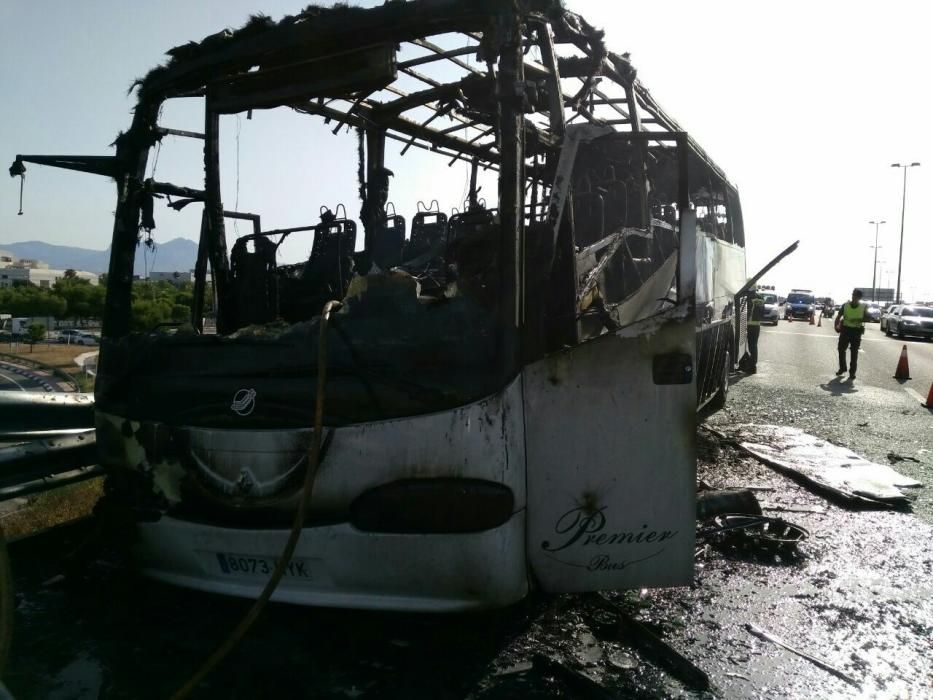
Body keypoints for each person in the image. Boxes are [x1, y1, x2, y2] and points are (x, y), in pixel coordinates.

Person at [834, 288, 866, 380]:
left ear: (859, 297)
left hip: (856, 331)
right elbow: (838, 316)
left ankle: (852, 373)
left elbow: (869, 318)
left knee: (854, 352)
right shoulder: (845, 305)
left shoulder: (863, 307)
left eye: (856, 295)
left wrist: (858, 319)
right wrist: (836, 326)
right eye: (853, 295)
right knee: (841, 349)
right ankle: (842, 368)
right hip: (845, 330)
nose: (853, 297)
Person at [746, 290, 764, 373]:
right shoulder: (760, 297)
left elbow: (747, 311)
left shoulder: (748, 296)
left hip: (749, 325)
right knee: (753, 346)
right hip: (757, 325)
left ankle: (751, 366)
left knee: (750, 346)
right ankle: (752, 366)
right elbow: (762, 312)